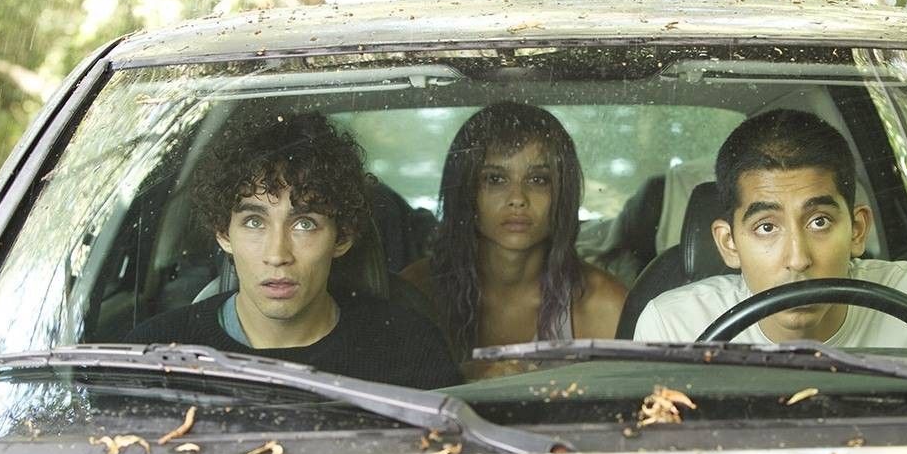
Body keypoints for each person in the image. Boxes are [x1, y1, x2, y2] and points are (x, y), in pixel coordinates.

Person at [127, 113, 461, 389]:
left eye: (304, 224)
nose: (277, 255)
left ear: (342, 237)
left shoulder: (409, 351)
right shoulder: (153, 357)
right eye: (254, 222)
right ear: (223, 234)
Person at [634, 109, 907, 347]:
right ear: (729, 243)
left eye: (819, 222)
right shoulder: (675, 327)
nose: (797, 259)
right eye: (766, 227)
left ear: (857, 230)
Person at [400, 102, 628, 369]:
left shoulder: (606, 305)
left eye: (538, 180)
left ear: (562, 194)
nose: (518, 199)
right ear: (465, 191)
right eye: (495, 179)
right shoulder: (414, 295)